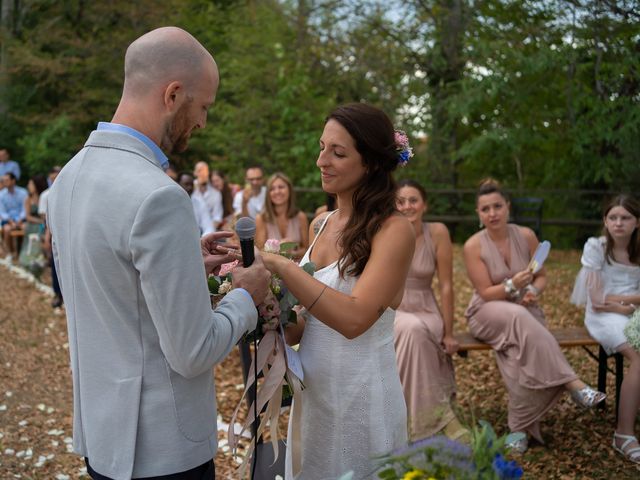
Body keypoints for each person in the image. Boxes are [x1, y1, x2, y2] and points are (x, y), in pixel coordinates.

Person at [47, 27, 271, 480]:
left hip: (104, 434)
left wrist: (184, 259)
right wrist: (245, 296)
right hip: (161, 448)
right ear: (173, 94)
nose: (203, 121)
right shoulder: (158, 196)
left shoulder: (68, 178)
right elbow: (192, 352)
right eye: (203, 106)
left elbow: (111, 279)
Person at [261, 103, 415, 479]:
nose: (321, 161)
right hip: (315, 399)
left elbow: (353, 318)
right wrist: (266, 311)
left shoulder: (394, 231)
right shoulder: (321, 224)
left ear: (371, 163)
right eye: (322, 147)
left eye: (338, 152)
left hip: (362, 398)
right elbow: (305, 323)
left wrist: (281, 265)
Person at [463, 178, 606, 453]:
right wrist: (514, 284)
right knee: (517, 316)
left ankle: (519, 428)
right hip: (487, 312)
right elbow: (485, 292)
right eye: (485, 209)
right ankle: (573, 383)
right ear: (478, 214)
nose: (492, 213)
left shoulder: (526, 235)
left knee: (516, 359)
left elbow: (541, 276)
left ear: (508, 207)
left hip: (526, 309)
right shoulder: (472, 245)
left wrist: (533, 290)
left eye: (497, 206)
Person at [394, 179, 466, 443]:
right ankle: (442, 420)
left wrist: (449, 332)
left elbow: (446, 286)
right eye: (400, 201)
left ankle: (412, 421)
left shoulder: (437, 232)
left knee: (421, 330)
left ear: (424, 204)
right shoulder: (385, 230)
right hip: (394, 306)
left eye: (413, 200)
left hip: (426, 306)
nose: (407, 206)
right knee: (411, 330)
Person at [571, 194, 640, 464]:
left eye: (625, 218)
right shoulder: (596, 247)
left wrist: (624, 301)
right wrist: (619, 306)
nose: (619, 223)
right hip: (603, 316)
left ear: (637, 223)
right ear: (605, 221)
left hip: (629, 309)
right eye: (613, 217)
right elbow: (597, 301)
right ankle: (624, 433)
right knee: (638, 356)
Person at [255, 172, 309, 260]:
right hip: (272, 270)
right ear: (268, 194)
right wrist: (279, 248)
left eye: (281, 187)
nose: (277, 192)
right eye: (272, 189)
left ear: (289, 190)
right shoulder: (261, 219)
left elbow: (307, 249)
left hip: (297, 268)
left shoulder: (300, 217)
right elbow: (260, 251)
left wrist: (292, 252)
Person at [178, 171, 215, 236]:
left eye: (191, 185)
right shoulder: (171, 203)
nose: (190, 188)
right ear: (178, 184)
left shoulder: (199, 203)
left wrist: (202, 240)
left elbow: (209, 227)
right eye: (186, 184)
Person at [0, 172, 28, 257]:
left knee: (26, 227)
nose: (4, 182)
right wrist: (11, 221)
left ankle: (23, 251)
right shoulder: (1, 194)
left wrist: (19, 220)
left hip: (21, 219)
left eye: (7, 180)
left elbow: (25, 209)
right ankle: (9, 253)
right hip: (8, 220)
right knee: (7, 229)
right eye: (3, 180)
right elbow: (2, 212)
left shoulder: (23, 192)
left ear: (13, 181)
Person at [193, 161, 223, 230]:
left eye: (205, 171)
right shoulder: (189, 188)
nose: (203, 174)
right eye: (200, 170)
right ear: (194, 173)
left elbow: (217, 217)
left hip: (208, 231)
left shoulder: (216, 193)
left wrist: (209, 231)